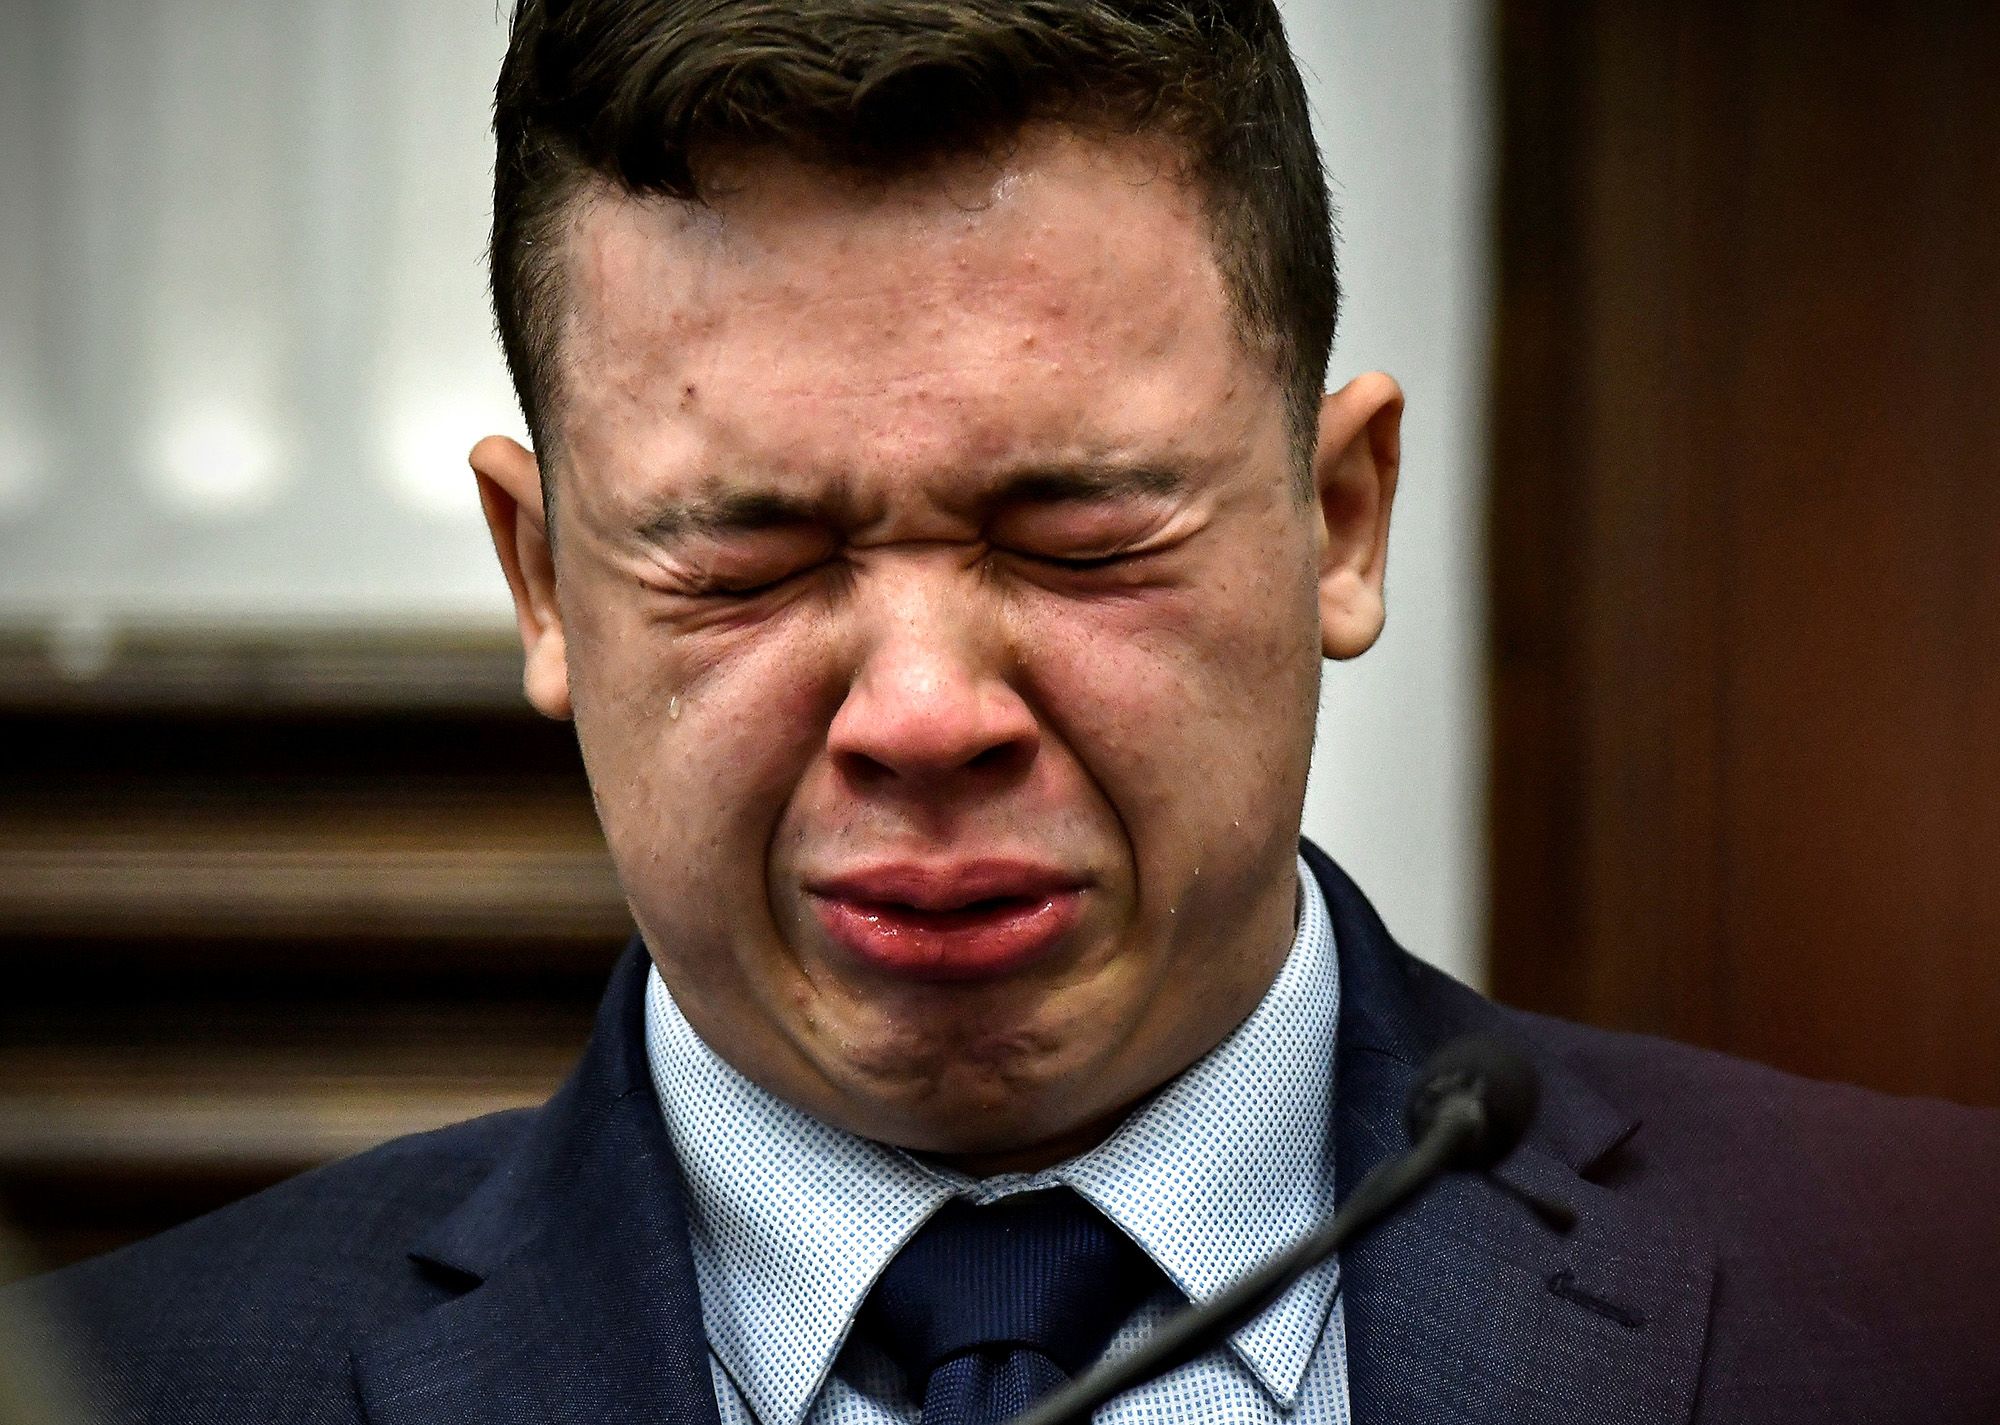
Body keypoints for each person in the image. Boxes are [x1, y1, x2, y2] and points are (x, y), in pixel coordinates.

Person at [16, 2, 2000, 1422]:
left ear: (1338, 516)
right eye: (752, 559)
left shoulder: (1929, 1307)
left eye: (1073, 535)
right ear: (544, 580)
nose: (922, 711)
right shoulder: (136, 1381)